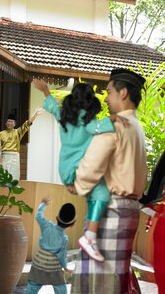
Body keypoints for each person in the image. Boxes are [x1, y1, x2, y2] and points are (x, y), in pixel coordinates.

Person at [67, 68, 147, 294]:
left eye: (110, 92)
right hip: (129, 210)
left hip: (110, 211)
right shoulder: (136, 126)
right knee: (115, 289)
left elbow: (91, 166)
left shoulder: (114, 124)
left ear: (123, 93)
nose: (106, 97)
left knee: (102, 293)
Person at [32, 79, 128, 262]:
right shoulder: (88, 121)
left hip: (65, 169)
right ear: (90, 101)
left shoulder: (63, 115)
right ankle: (90, 237)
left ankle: (89, 232)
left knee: (97, 192)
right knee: (101, 194)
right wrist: (117, 117)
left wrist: (45, 89)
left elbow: (51, 103)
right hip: (82, 170)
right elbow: (101, 127)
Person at [16, 196, 76, 294]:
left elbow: (38, 216)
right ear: (72, 224)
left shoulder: (46, 226)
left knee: (33, 285)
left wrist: (43, 204)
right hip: (53, 268)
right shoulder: (64, 238)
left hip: (39, 261)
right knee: (61, 290)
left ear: (56, 217)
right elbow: (62, 256)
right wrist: (65, 267)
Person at [0, 108, 44, 180]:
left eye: (11, 122)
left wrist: (35, 115)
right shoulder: (0, 134)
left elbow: (27, 124)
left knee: (14, 176)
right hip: (5, 155)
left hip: (15, 156)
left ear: (14, 124)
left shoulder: (18, 132)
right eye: (8, 121)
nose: (10, 123)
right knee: (3, 176)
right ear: (6, 123)